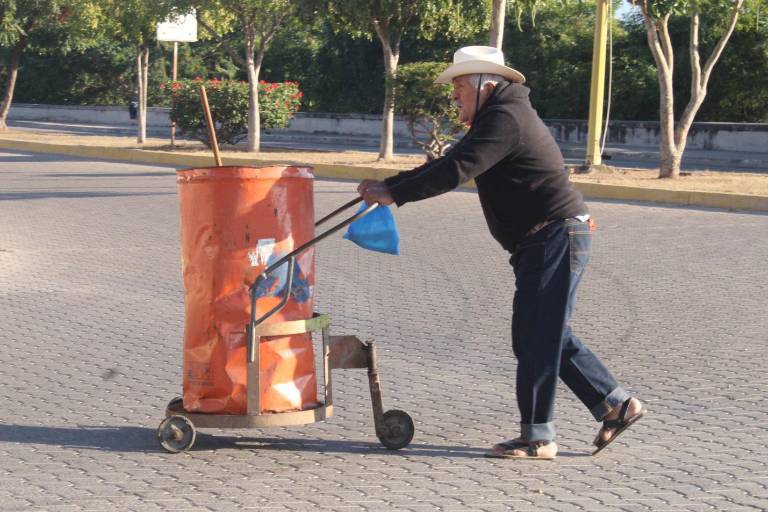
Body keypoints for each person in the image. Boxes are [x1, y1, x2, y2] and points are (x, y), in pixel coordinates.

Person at [357, 46, 646, 459]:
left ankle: (538, 438)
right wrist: (390, 184)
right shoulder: (498, 116)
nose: (453, 95)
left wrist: (394, 192)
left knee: (536, 338)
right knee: (544, 334)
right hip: (546, 240)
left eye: (458, 86)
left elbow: (458, 169)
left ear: (483, 84)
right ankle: (617, 405)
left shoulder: (506, 117)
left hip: (554, 236)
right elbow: (451, 161)